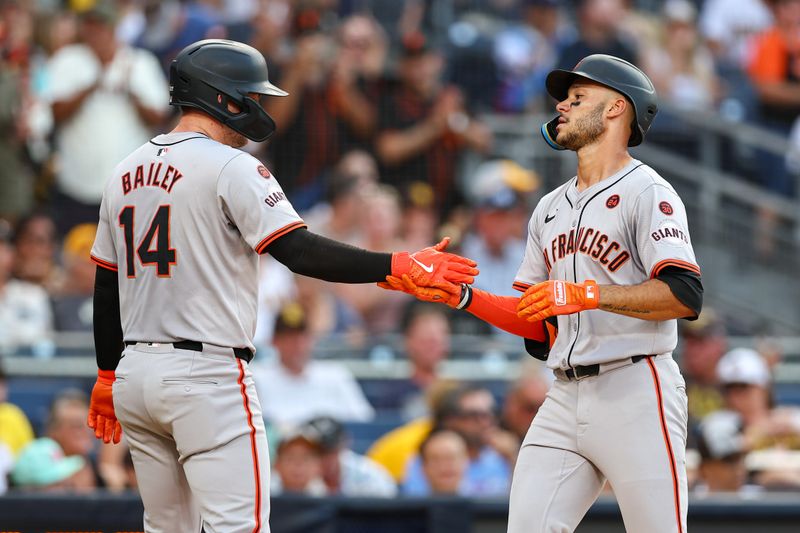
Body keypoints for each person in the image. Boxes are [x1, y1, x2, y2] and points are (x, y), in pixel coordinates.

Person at [86, 38, 476, 532]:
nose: (258, 106)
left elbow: (106, 282)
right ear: (220, 96)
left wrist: (105, 374)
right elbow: (299, 251)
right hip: (206, 374)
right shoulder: (231, 166)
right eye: (250, 95)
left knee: (167, 529)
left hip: (135, 374)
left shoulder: (124, 172)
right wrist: (397, 263)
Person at [383, 54, 702, 532]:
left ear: (616, 108)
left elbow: (684, 294)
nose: (562, 105)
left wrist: (588, 294)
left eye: (577, 98)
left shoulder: (648, 192)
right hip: (563, 392)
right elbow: (538, 321)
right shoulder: (549, 208)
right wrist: (463, 297)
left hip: (635, 385)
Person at [251, 301, 375, 424]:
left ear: (312, 339)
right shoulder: (257, 379)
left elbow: (364, 421)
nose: (297, 345)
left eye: (302, 337)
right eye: (289, 338)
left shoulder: (336, 375)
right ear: (274, 341)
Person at [402, 384, 515, 497]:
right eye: (474, 415)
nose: (485, 422)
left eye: (491, 413)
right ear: (450, 420)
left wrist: (513, 459)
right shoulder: (427, 457)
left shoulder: (502, 456)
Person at [301, 416, 397, 497]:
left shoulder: (370, 476)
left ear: (342, 446)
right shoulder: (294, 475)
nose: (322, 458)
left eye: (327, 451)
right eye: (315, 452)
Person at [419, 427, 470, 496]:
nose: (444, 467)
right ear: (423, 467)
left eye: (450, 458)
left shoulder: (484, 503)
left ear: (465, 462)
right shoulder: (408, 505)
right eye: (435, 460)